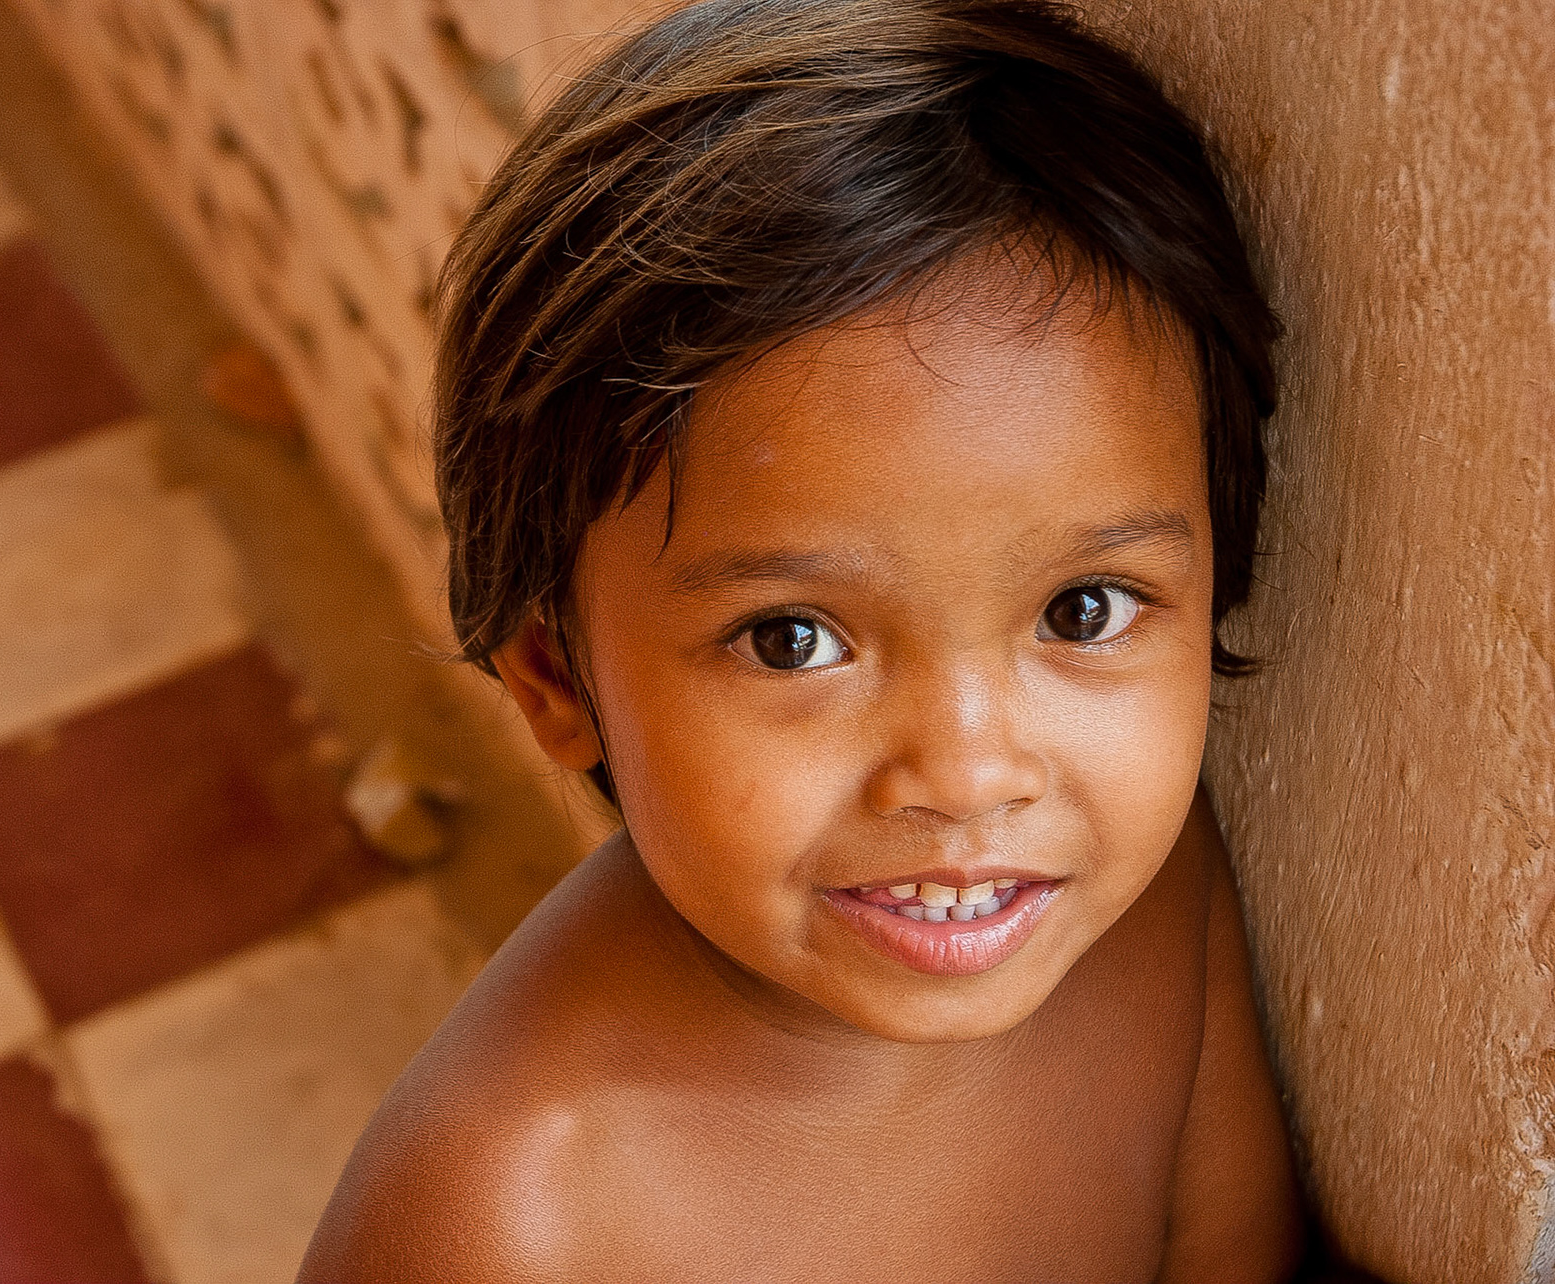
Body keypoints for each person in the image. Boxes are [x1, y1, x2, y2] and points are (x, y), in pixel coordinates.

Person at [300, 1, 1306, 1278]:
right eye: (791, 640)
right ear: (555, 677)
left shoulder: (1144, 885)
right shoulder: (504, 1224)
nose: (972, 775)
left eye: (1082, 612)